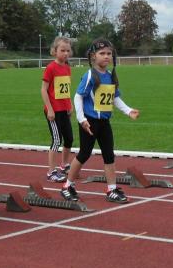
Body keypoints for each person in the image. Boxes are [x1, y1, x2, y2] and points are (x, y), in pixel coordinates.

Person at [60, 38, 139, 204]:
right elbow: (78, 97)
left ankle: (111, 189)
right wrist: (82, 119)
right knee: (84, 154)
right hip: (89, 122)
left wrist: (128, 110)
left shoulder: (110, 76)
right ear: (93, 56)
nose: (106, 56)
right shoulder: (90, 75)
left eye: (109, 53)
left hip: (104, 122)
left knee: (109, 155)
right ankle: (67, 186)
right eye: (102, 53)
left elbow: (114, 98)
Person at [40, 36, 73, 183]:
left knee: (69, 138)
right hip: (53, 110)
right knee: (56, 140)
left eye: (68, 51)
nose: (66, 53)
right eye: (62, 50)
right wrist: (50, 109)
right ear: (54, 51)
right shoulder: (51, 68)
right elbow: (43, 90)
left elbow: (66, 89)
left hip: (64, 109)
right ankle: (51, 172)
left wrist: (70, 104)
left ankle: (64, 165)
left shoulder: (67, 68)